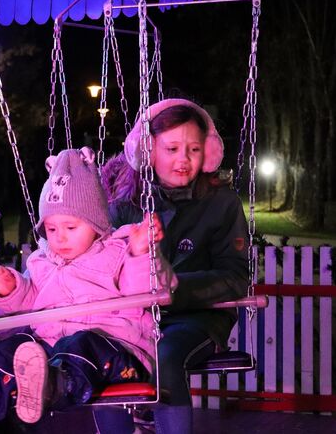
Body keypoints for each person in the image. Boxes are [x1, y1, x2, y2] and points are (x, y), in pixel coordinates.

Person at [0, 147, 176, 434]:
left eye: (70, 227)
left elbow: (147, 291)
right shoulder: (42, 262)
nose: (60, 237)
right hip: (50, 353)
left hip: (117, 352)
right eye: (51, 229)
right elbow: (31, 300)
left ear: (96, 224)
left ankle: (51, 382)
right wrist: (10, 288)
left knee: (83, 343)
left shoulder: (118, 251)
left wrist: (141, 253)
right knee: (16, 344)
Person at [98, 99, 249, 434]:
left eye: (194, 149)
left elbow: (235, 277)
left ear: (207, 154)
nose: (183, 159)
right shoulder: (125, 203)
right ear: (148, 151)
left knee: (163, 356)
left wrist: (174, 289)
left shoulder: (221, 204)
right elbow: (102, 267)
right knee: (105, 353)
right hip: (132, 319)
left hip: (197, 319)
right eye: (172, 148)